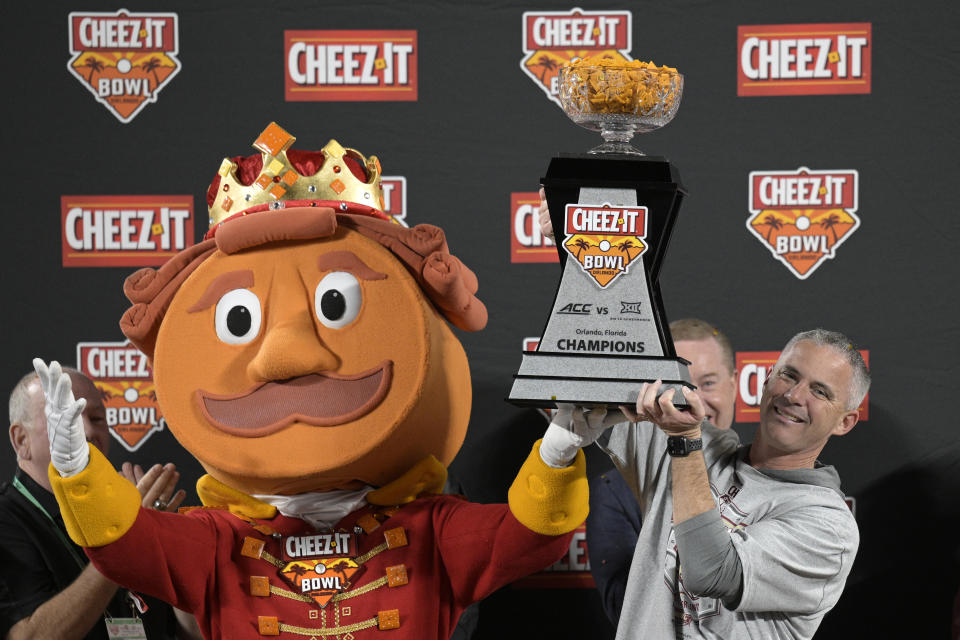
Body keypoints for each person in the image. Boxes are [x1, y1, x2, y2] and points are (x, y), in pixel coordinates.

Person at [547, 328, 867, 639]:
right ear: (767, 378)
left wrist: (684, 441)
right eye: (790, 375)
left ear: (845, 421)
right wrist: (579, 410)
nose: (794, 395)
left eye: (820, 391)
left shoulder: (829, 527)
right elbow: (558, 384)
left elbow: (711, 572)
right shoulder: (702, 444)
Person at [1, 366, 201, 640]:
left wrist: (166, 547)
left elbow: (191, 633)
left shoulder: (127, 507)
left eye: (96, 418)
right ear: (21, 440)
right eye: (65, 419)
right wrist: (124, 539)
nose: (87, 431)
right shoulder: (7, 520)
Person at [586, 318, 738, 625]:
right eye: (676, 386)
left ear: (734, 384)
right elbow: (625, 608)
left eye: (708, 383)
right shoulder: (614, 491)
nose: (691, 400)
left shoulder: (761, 476)